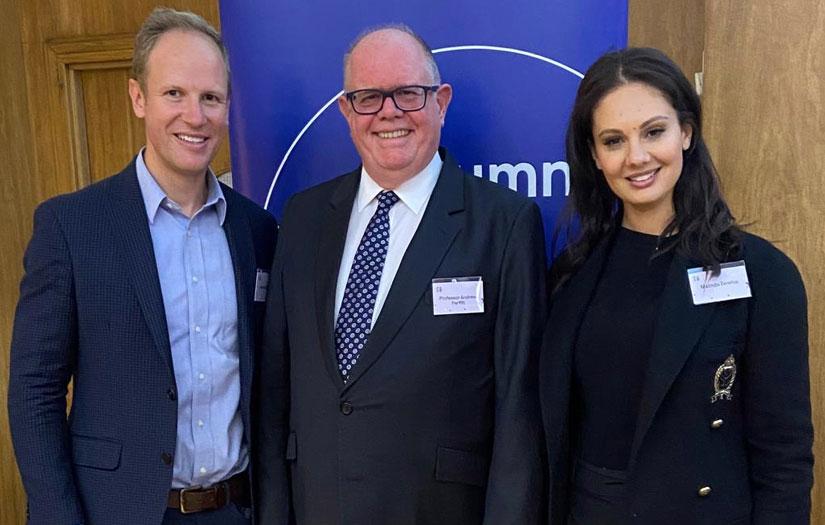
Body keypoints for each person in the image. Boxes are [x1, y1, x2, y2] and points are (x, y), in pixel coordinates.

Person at [255, 24, 547, 524]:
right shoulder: (302, 219)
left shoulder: (504, 223)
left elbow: (518, 412)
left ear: (441, 101)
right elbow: (275, 397)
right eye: (368, 97)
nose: (389, 112)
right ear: (346, 111)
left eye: (408, 94)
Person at [7, 8, 277, 525]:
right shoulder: (72, 227)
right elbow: (34, 392)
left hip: (237, 510)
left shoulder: (258, 231)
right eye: (174, 93)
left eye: (211, 98)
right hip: (117, 512)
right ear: (138, 97)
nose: (194, 116)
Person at [540, 47, 814, 524]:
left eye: (653, 132)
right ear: (593, 155)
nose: (637, 157)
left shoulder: (762, 275)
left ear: (686, 132)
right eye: (613, 140)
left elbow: (784, 459)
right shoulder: (571, 273)